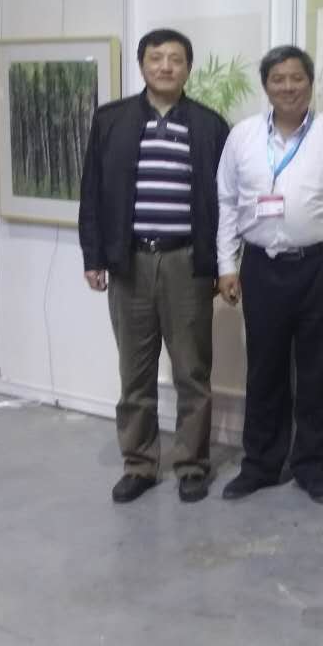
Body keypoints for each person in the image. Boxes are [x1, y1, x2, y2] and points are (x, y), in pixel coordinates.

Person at [215, 45, 323, 504]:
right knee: (264, 368)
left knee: (318, 369)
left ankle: (313, 466)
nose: (288, 87)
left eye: (297, 78)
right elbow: (226, 202)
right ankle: (261, 464)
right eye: (278, 79)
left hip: (321, 266)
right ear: (265, 86)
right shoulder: (243, 137)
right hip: (261, 266)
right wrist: (226, 264)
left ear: (310, 83)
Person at [78, 28, 230, 504]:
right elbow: (92, 192)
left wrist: (222, 263)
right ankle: (140, 465)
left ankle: (191, 465)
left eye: (176, 59)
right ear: (142, 65)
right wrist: (93, 256)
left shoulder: (209, 125)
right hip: (130, 263)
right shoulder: (112, 120)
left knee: (192, 372)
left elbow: (226, 202)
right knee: (135, 373)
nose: (166, 66)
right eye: (157, 58)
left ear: (188, 68)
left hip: (187, 262)